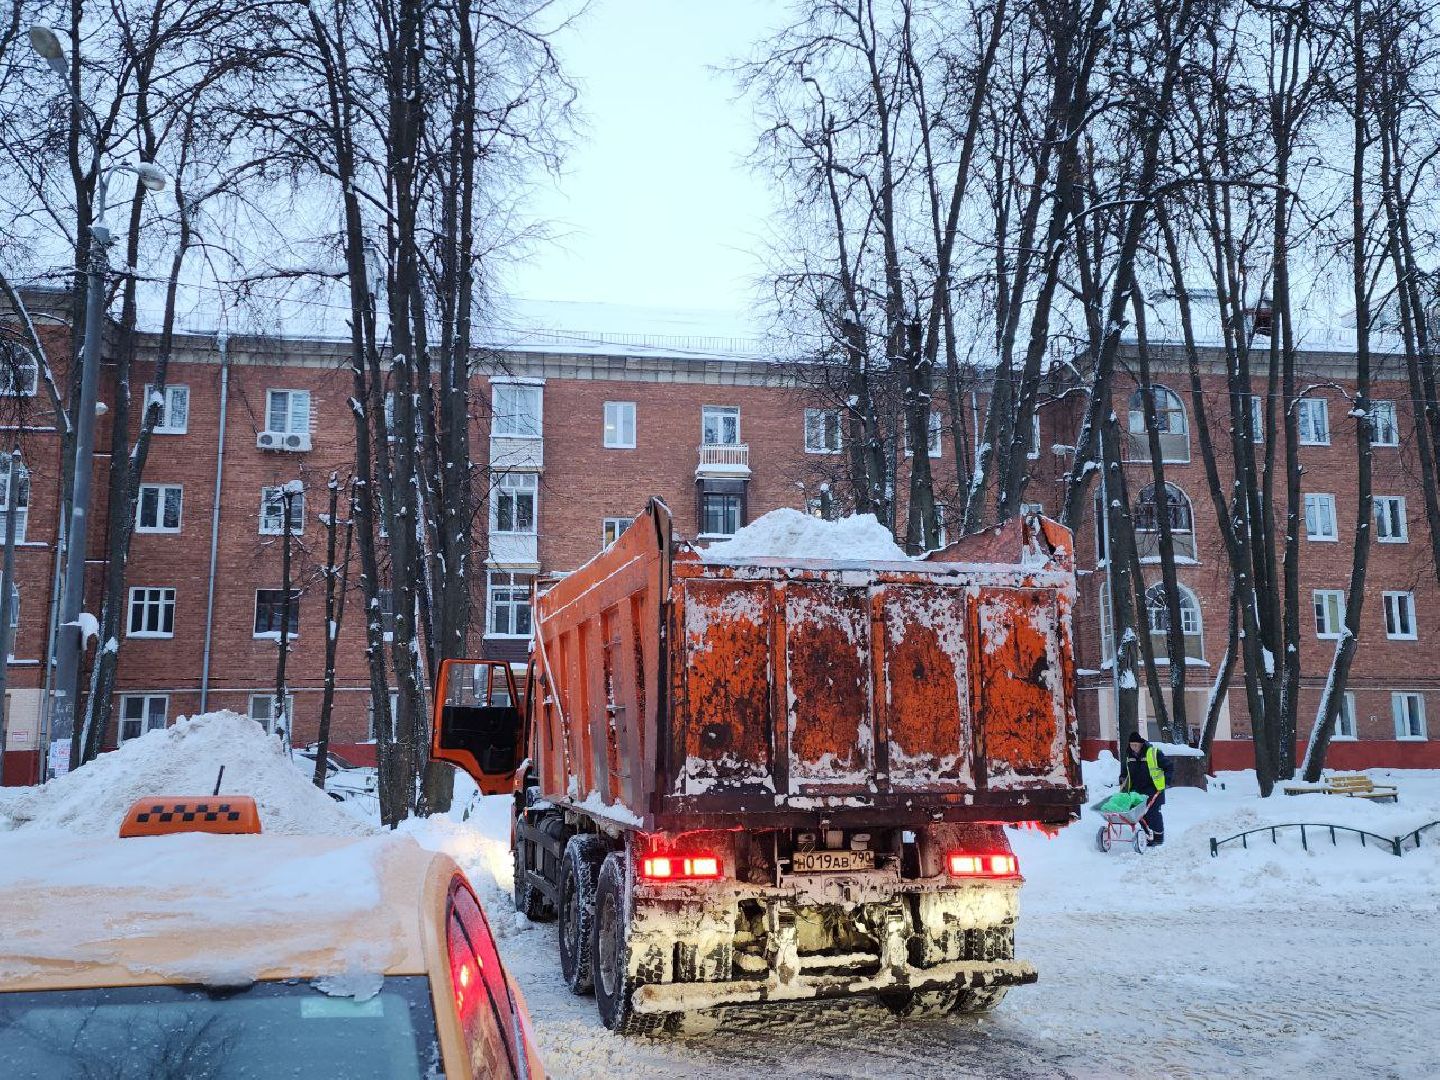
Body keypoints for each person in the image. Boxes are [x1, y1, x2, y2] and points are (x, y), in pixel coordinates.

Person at [1120, 732, 1173, 846]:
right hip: (1137, 790)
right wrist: (1122, 777)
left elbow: (1169, 766)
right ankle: (1148, 835)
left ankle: (1158, 837)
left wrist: (1167, 781)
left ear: (1141, 744)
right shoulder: (1129, 756)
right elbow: (1125, 770)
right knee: (1139, 814)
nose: (1134, 747)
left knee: (1153, 813)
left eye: (1135, 745)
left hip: (1154, 789)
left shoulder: (1153, 753)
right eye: (1131, 745)